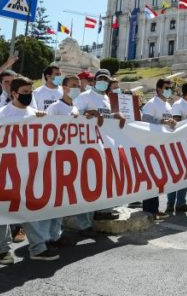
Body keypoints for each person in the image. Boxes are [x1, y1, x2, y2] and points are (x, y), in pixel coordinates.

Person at [0, 76, 59, 262]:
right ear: (14, 93)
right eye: (25, 93)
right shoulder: (1, 114)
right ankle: (1, 249)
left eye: (30, 92)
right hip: (5, 169)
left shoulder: (36, 115)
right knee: (1, 211)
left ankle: (37, 247)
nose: (28, 96)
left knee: (30, 209)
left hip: (30, 171)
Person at [74, 69, 126, 222]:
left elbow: (108, 118)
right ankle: (85, 221)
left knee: (106, 177)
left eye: (106, 79)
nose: (103, 81)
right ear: (95, 80)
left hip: (107, 143)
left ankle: (104, 210)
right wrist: (89, 114)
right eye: (100, 78)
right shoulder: (84, 96)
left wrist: (116, 116)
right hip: (89, 144)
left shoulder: (109, 99)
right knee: (89, 180)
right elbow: (75, 115)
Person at [45, 75, 90, 243]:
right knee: (58, 200)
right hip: (58, 159)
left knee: (77, 194)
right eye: (73, 85)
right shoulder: (55, 108)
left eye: (79, 85)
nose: (77, 88)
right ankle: (53, 236)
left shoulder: (77, 108)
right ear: (64, 88)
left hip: (74, 158)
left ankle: (84, 226)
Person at [141, 78, 176, 219]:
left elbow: (167, 122)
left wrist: (172, 123)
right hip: (151, 145)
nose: (169, 90)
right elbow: (144, 120)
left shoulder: (167, 104)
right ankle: (149, 210)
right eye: (167, 87)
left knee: (158, 179)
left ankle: (154, 209)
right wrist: (161, 121)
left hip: (162, 145)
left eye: (170, 87)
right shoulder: (152, 103)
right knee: (151, 179)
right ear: (159, 89)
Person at [165, 82, 187, 213]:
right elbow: (176, 124)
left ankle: (181, 203)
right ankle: (170, 204)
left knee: (186, 176)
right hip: (179, 144)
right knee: (175, 175)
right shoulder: (179, 104)